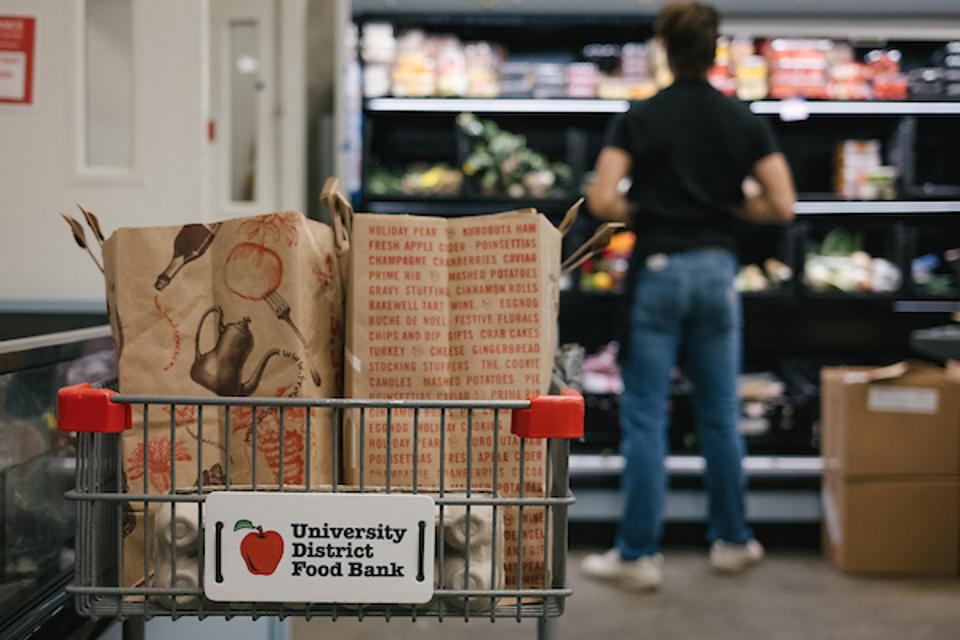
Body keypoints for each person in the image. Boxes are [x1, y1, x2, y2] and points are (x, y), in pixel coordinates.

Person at [581, 0, 797, 592]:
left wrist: (650, 208)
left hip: (658, 269)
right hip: (716, 271)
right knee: (719, 413)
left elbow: (602, 199)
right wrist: (727, 208)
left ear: (666, 51)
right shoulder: (741, 119)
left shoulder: (641, 116)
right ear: (714, 50)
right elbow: (782, 203)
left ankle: (638, 556)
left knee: (646, 415)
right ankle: (732, 541)